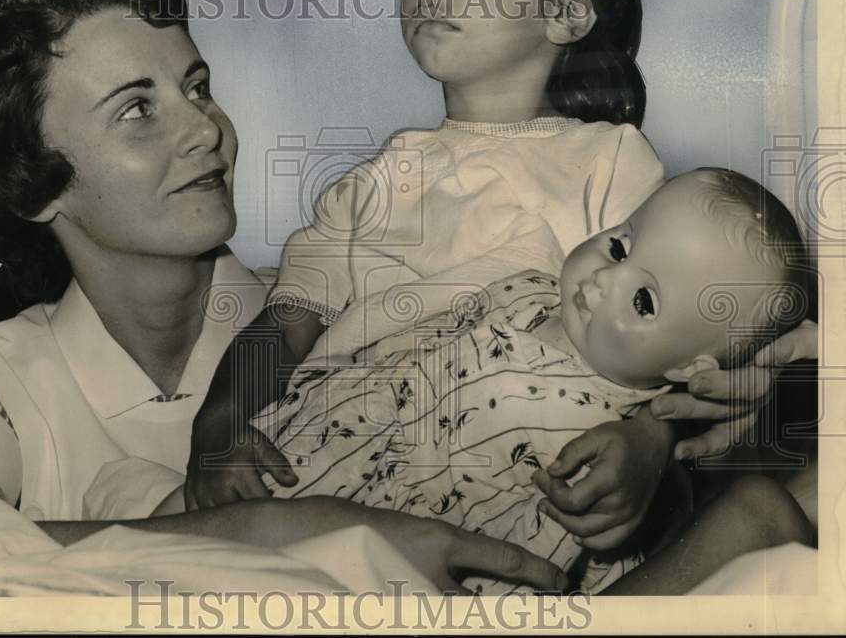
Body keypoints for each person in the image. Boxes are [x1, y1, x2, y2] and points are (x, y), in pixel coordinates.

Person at [0, 0, 568, 594]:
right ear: (37, 183)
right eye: (136, 110)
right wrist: (280, 532)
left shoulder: (347, 320)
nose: (204, 128)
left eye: (197, 86)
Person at [185, 0, 817, 549]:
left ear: (567, 10)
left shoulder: (608, 161)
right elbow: (285, 325)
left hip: (498, 495)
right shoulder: (369, 184)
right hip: (335, 464)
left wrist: (650, 441)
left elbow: (665, 333)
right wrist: (217, 428)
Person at [249, 168, 812, 593]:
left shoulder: (591, 447)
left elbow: (512, 557)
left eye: (643, 299)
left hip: (394, 547)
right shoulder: (528, 287)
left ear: (691, 370)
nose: (602, 279)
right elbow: (399, 346)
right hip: (317, 449)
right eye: (619, 245)